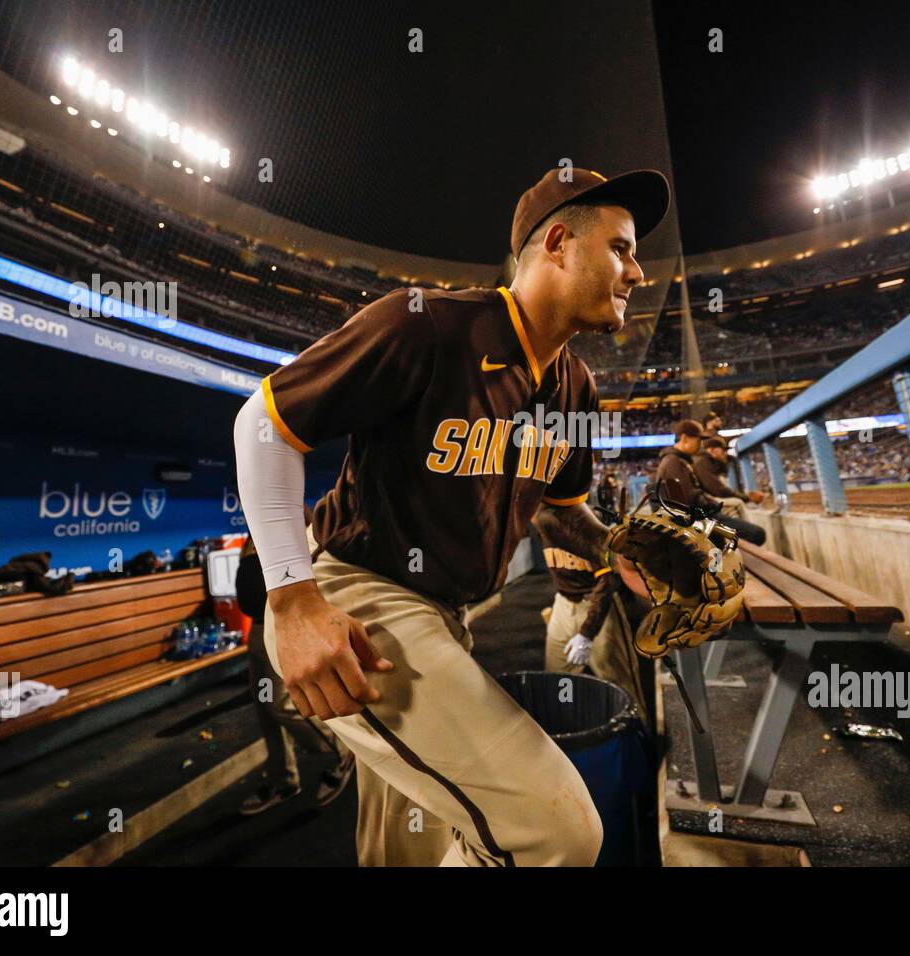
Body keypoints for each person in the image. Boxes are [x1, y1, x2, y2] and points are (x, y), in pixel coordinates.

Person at [233, 165, 666, 866]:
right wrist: (293, 599)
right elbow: (262, 424)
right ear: (558, 241)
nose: (637, 272)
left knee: (408, 847)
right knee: (556, 832)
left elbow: (559, 514)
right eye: (622, 248)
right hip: (363, 602)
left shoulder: (575, 386)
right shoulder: (428, 326)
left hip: (447, 617)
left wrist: (620, 547)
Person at [234, 534, 355, 815]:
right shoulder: (255, 527)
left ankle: (341, 753)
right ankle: (282, 779)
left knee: (280, 704)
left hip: (283, 626)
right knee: (264, 709)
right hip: (256, 629)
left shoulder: (295, 521)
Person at [537, 529, 649, 728]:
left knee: (617, 678)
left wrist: (587, 634)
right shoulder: (542, 522)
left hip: (597, 606)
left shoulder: (585, 528)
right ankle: (567, 724)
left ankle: (636, 735)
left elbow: (605, 584)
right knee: (561, 675)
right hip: (563, 603)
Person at [654, 420, 767, 545]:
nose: (701, 444)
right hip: (696, 522)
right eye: (698, 439)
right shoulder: (673, 463)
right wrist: (712, 504)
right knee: (757, 534)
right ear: (685, 438)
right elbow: (688, 500)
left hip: (697, 518)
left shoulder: (680, 460)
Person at [693, 435, 765, 519]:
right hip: (703, 503)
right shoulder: (703, 462)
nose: (725, 453)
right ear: (712, 450)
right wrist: (747, 497)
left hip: (706, 500)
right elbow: (719, 490)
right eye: (723, 450)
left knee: (737, 503)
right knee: (738, 503)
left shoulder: (712, 462)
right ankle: (743, 531)